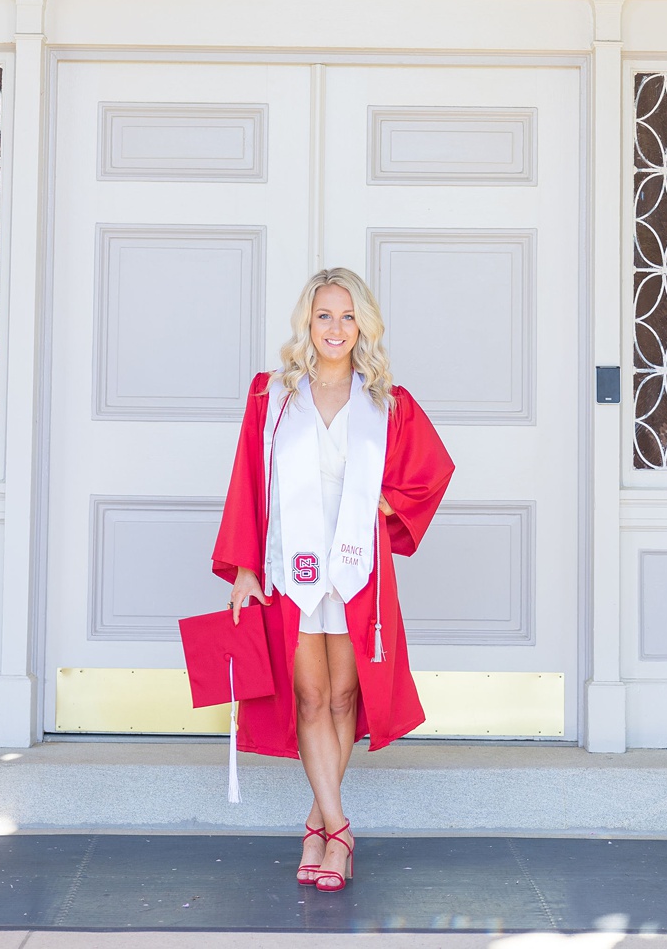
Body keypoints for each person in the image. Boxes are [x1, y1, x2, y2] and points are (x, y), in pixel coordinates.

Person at [212, 267, 454, 893]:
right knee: (310, 698)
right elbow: (247, 478)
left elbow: (431, 472)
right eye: (324, 316)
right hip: (289, 561)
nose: (336, 328)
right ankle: (339, 830)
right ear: (307, 323)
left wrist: (382, 506)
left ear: (363, 325)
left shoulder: (386, 403)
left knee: (345, 698)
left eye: (348, 316)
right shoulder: (272, 396)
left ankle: (321, 828)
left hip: (354, 569)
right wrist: (242, 568)